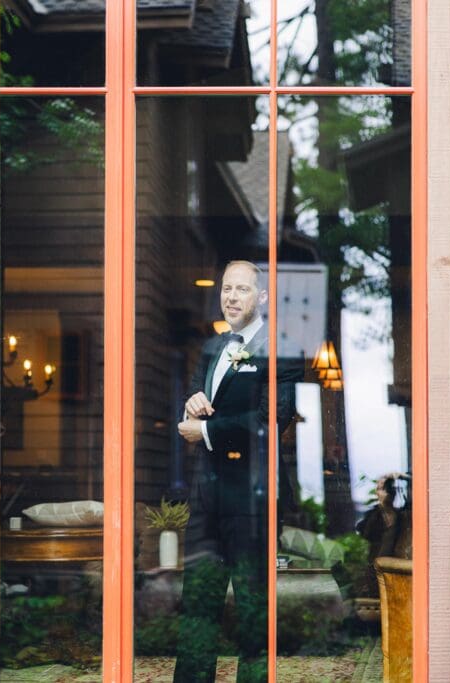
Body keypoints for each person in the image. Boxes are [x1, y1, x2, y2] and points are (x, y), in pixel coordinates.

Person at [173, 260, 303, 683]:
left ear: (261, 297)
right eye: (226, 289)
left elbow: (271, 421)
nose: (230, 297)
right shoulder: (214, 347)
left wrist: (207, 430)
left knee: (252, 616)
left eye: (241, 290)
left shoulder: (280, 347)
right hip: (207, 495)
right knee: (197, 607)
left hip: (252, 499)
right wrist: (192, 402)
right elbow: (196, 394)